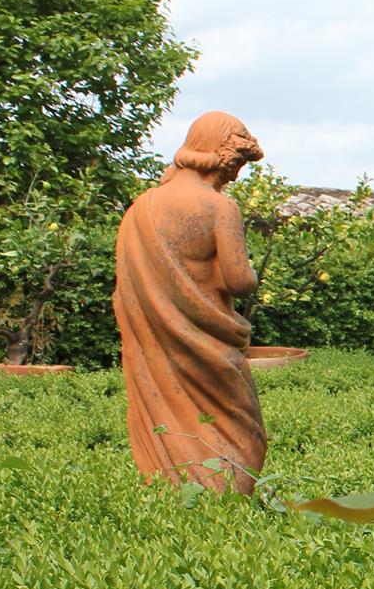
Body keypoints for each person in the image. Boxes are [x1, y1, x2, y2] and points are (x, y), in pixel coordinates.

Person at [113, 112, 268, 492]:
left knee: (165, 412)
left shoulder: (141, 209)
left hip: (155, 343)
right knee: (244, 430)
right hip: (210, 344)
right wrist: (251, 274)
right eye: (237, 163)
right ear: (219, 154)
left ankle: (175, 493)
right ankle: (224, 501)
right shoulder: (219, 208)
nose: (235, 175)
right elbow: (238, 280)